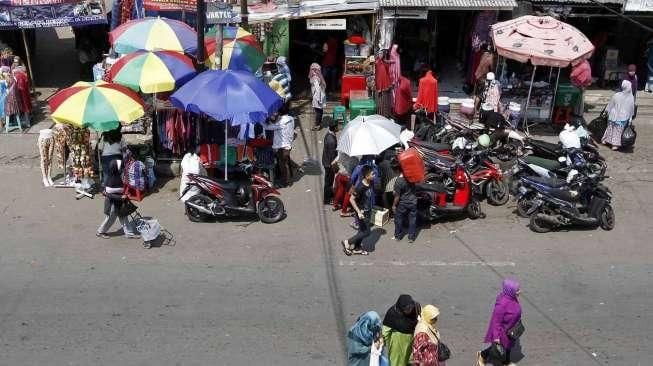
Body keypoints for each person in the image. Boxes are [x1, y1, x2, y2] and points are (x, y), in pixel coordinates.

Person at [477, 279, 522, 366]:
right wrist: (496, 337)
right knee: (500, 347)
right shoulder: (501, 305)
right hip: (502, 331)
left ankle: (506, 362)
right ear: (510, 291)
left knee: (509, 345)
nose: (520, 291)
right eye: (517, 290)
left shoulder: (512, 298)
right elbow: (496, 321)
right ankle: (482, 355)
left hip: (511, 328)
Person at [96, 160, 139, 239]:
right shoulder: (110, 179)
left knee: (124, 217)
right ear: (115, 168)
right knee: (110, 219)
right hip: (112, 204)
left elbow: (121, 189)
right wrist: (121, 197)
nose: (121, 169)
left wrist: (125, 195)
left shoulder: (117, 177)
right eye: (119, 167)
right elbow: (107, 194)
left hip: (119, 203)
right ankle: (100, 231)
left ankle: (129, 233)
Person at [341, 165, 374, 256]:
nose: (374, 175)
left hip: (368, 211)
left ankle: (357, 248)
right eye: (372, 174)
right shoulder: (360, 187)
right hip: (362, 213)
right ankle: (347, 242)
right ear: (367, 176)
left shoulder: (371, 182)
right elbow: (351, 199)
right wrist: (359, 212)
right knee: (366, 232)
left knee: (361, 230)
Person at [383, 294, 419, 366]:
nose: (409, 310)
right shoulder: (392, 313)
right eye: (406, 309)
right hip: (398, 345)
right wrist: (381, 342)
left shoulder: (416, 308)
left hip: (412, 342)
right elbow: (385, 331)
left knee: (411, 361)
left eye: (410, 307)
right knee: (397, 362)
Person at [265, 104, 296, 187]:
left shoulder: (281, 121)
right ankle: (289, 177)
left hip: (282, 146)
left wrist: (262, 122)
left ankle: (285, 182)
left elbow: (269, 127)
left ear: (280, 112)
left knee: (283, 165)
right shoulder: (291, 119)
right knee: (286, 162)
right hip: (288, 144)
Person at [601, 80, 635, 151]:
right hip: (622, 117)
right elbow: (631, 110)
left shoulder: (616, 95)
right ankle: (615, 145)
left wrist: (605, 112)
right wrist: (630, 119)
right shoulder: (630, 97)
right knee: (617, 131)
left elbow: (610, 105)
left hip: (612, 116)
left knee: (609, 129)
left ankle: (605, 140)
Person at [392, 164, 418, 243]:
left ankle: (398, 236)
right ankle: (411, 238)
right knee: (412, 220)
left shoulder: (398, 181)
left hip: (403, 203)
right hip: (413, 201)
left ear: (398, 171)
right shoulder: (412, 177)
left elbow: (397, 196)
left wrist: (393, 205)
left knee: (398, 219)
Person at [322, 118, 338, 205]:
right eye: (337, 126)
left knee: (329, 181)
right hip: (329, 164)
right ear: (334, 127)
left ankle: (330, 196)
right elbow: (332, 156)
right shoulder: (331, 140)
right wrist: (335, 166)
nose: (338, 127)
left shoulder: (330, 134)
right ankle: (327, 199)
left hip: (326, 160)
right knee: (328, 182)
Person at [309, 63, 326, 131]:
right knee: (320, 110)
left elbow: (317, 89)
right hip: (321, 95)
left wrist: (318, 99)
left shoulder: (315, 77)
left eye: (312, 69)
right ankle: (318, 123)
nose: (311, 70)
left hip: (318, 96)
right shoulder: (319, 75)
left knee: (318, 111)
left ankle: (317, 125)